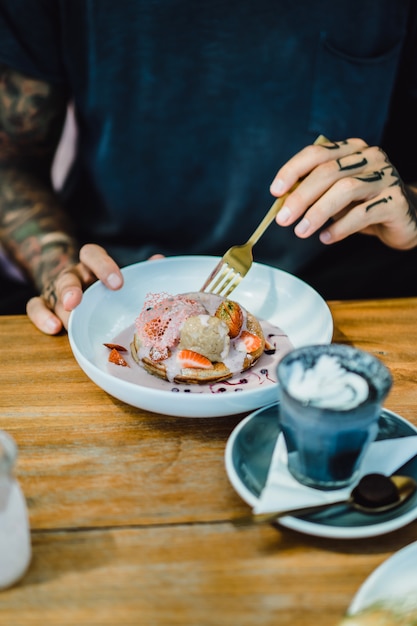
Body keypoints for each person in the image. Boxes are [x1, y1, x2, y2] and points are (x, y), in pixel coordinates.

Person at [0, 1, 416, 335]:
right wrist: (62, 275)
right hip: (118, 287)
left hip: (353, 301)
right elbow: (10, 165)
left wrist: (412, 209)